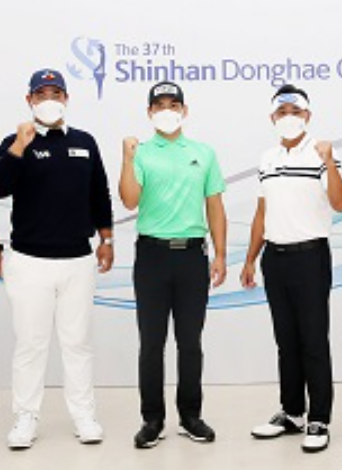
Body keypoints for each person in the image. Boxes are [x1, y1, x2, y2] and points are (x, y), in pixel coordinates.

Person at [0, 69, 114, 449]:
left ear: (66, 98)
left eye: (55, 93)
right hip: (29, 261)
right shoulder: (15, 142)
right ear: (29, 101)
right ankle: (25, 417)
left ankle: (83, 415)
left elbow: (100, 192)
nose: (49, 100)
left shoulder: (84, 142)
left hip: (78, 261)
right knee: (31, 344)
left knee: (77, 343)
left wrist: (106, 238)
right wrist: (19, 147)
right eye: (41, 94)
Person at [119, 81, 227, 449]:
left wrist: (221, 253)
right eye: (160, 105)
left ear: (184, 110)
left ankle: (190, 416)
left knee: (190, 342)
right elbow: (129, 200)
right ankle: (152, 419)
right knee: (151, 343)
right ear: (150, 112)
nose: (167, 110)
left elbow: (215, 206)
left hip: (192, 257)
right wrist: (127, 158)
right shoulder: (141, 152)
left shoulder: (203, 153)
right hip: (152, 257)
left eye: (173, 104)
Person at [241, 84, 342, 453]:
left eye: (296, 112)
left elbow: (340, 202)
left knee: (313, 339)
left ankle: (319, 418)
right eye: (282, 112)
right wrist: (250, 258)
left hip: (310, 257)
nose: (289, 117)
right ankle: (292, 412)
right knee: (286, 341)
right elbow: (262, 212)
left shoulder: (321, 153)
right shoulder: (267, 158)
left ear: (307, 116)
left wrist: (329, 161)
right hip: (275, 257)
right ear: (273, 117)